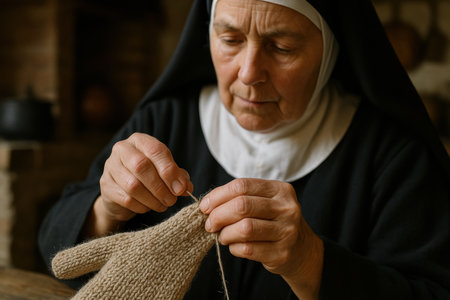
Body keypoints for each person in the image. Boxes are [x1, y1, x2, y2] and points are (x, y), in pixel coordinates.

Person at [39, 0, 450, 299]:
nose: (250, 73)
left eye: (282, 47)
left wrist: (312, 263)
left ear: (330, 52)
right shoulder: (165, 120)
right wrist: (106, 209)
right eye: (230, 39)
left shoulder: (392, 155)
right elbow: (54, 244)